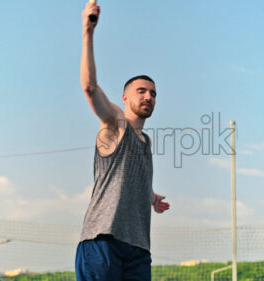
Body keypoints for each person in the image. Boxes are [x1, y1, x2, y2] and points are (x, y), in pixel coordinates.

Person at [75, 2, 170, 281]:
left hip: (139, 248)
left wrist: (152, 197)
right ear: (125, 97)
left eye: (153, 93)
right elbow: (89, 88)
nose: (148, 97)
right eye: (141, 91)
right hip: (103, 241)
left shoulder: (146, 142)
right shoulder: (115, 125)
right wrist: (87, 32)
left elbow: (128, 177)